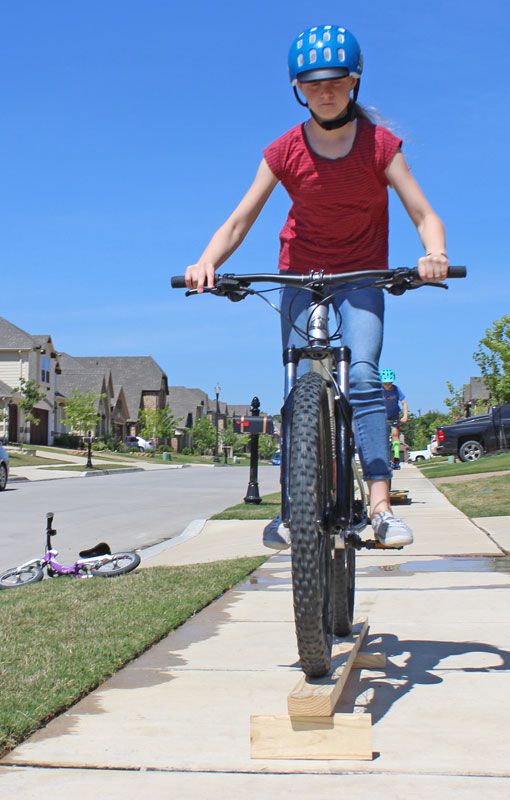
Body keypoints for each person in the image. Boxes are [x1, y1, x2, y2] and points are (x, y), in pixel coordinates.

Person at [184, 24, 449, 549]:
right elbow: (239, 220)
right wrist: (205, 262)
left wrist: (434, 254)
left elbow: (424, 213)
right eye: (312, 84)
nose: (325, 92)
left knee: (366, 376)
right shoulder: (284, 151)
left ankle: (379, 506)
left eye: (335, 81)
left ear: (354, 82)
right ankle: (293, 508)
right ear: (298, 90)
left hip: (362, 277)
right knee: (297, 383)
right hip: (300, 278)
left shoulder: (380, 147)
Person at [380, 368, 408, 468]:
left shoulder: (396, 389)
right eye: (385, 383)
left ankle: (396, 460)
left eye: (389, 383)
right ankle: (385, 460)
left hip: (394, 416)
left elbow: (404, 402)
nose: (387, 385)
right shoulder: (379, 390)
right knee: (383, 438)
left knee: (395, 435)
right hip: (382, 417)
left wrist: (405, 415)